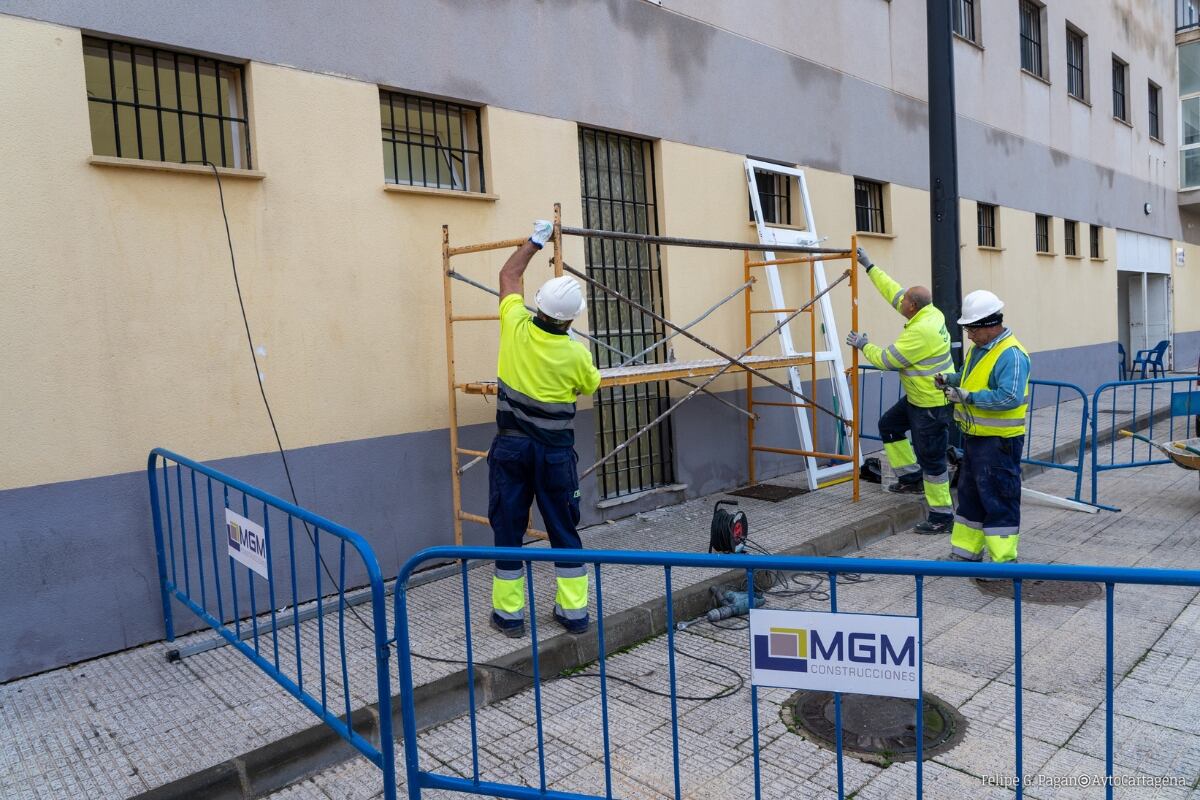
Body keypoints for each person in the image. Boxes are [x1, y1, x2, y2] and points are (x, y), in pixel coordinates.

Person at [488, 220, 601, 638]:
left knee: (508, 529)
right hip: (555, 454)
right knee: (563, 529)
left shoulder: (514, 326)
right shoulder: (576, 352)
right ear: (571, 320)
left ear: (538, 306)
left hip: (511, 449)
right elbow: (589, 384)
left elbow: (508, 275)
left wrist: (534, 242)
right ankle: (573, 615)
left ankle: (509, 616)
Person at [844, 247, 955, 534]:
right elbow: (892, 291)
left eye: (904, 300)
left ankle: (941, 516)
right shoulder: (929, 313)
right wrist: (869, 266)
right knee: (889, 426)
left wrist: (862, 344)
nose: (900, 300)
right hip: (920, 398)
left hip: (930, 405)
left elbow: (886, 360)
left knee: (932, 460)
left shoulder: (921, 332)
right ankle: (910, 477)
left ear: (912, 308)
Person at [939, 289, 1030, 564]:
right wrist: (951, 379)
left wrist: (968, 397)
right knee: (971, 497)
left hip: (999, 442)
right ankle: (965, 553)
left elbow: (1009, 397)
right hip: (977, 438)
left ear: (989, 325)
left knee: (998, 499)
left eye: (971, 329)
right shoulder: (980, 350)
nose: (968, 335)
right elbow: (971, 378)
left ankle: (1004, 562)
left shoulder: (1011, 355)